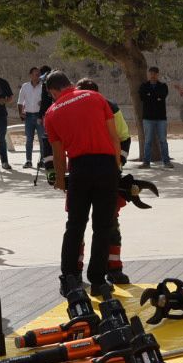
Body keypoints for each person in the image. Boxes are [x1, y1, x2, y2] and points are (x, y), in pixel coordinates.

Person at [43, 71, 122, 298]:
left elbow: (59, 155)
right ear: (69, 84)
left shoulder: (51, 113)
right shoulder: (95, 98)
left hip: (79, 168)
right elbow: (114, 136)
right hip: (106, 166)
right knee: (103, 226)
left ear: (53, 91)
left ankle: (69, 278)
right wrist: (115, 168)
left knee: (75, 225)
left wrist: (60, 180)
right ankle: (97, 280)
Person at [138, 66, 172, 168]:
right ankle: (146, 163)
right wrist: (155, 97)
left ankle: (166, 162)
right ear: (149, 74)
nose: (153, 76)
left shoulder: (163, 86)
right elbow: (143, 97)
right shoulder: (144, 86)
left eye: (155, 74)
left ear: (158, 75)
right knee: (148, 141)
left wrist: (150, 96)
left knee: (163, 140)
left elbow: (162, 96)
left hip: (161, 118)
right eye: (151, 73)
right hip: (148, 118)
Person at [17, 67, 44, 168]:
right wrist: (20, 113)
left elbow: (48, 100)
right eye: (36, 74)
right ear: (30, 75)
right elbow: (20, 101)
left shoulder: (43, 87)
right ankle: (28, 161)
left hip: (39, 116)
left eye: (39, 74)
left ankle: (42, 160)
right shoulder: (25, 86)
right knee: (29, 139)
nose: (38, 76)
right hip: (28, 116)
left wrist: (43, 103)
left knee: (42, 139)